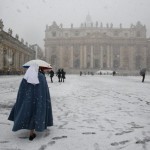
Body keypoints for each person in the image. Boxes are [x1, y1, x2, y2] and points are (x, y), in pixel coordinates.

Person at [8, 64, 53, 141]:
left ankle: (31, 132)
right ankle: (33, 131)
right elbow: (45, 91)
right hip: (39, 100)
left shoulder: (26, 78)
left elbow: (21, 91)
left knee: (29, 113)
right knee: (36, 114)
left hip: (28, 100)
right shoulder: (41, 77)